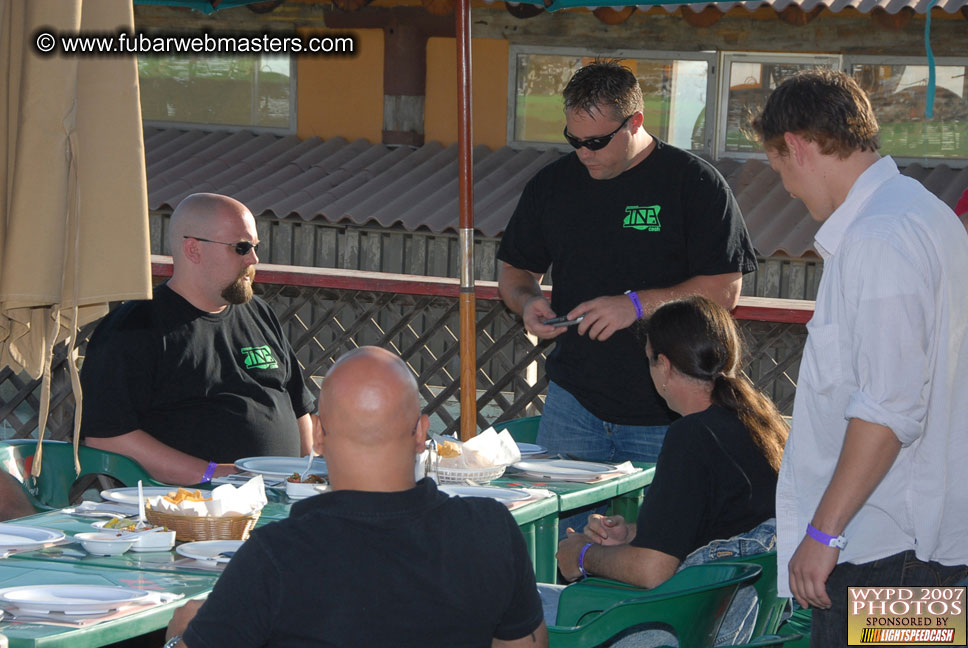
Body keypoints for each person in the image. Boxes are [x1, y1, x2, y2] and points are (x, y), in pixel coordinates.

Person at [750, 69, 968, 645]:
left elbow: (889, 407)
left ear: (794, 146)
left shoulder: (878, 236)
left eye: (779, 169)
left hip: (889, 546)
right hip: (927, 544)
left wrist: (823, 535)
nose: (789, 190)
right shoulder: (924, 212)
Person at [164, 346, 547, 648]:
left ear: (317, 434)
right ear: (421, 433)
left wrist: (179, 636)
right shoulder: (491, 529)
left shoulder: (277, 555)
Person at [497, 60, 758, 465]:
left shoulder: (695, 184)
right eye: (574, 140)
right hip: (573, 401)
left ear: (635, 122)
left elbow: (725, 289)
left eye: (597, 142)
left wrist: (634, 305)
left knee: (660, 529)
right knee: (569, 530)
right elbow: (515, 270)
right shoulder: (552, 185)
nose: (584, 153)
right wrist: (527, 301)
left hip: (672, 407)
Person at [550, 297, 786, 645]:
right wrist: (632, 533)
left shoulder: (692, 436)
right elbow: (715, 524)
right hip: (732, 623)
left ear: (665, 365)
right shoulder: (757, 425)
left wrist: (582, 555)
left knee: (502, 608)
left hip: (678, 629)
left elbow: (653, 571)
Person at [80, 193, 315, 485]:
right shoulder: (136, 325)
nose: (253, 259)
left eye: (255, 247)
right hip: (189, 511)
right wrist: (211, 475)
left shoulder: (259, 313)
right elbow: (107, 437)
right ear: (193, 250)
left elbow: (299, 409)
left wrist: (304, 475)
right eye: (241, 248)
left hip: (282, 499)